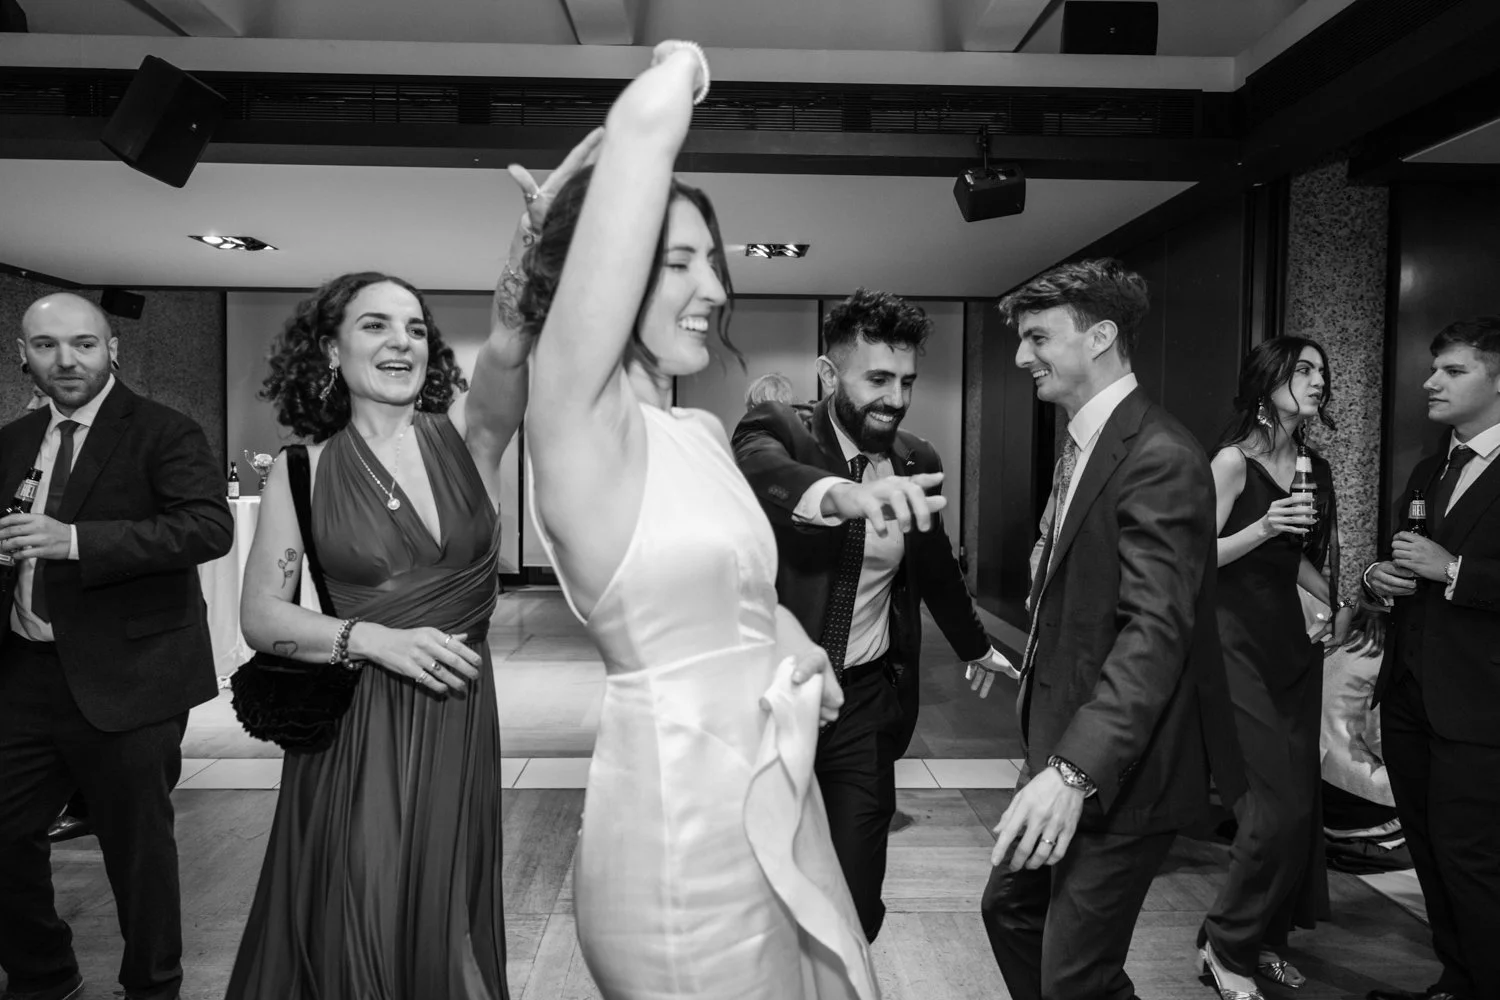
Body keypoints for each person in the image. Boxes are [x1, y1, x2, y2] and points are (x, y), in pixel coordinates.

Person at [520, 41, 877, 1000]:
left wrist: (796, 648)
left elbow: (742, 597)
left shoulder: (701, 432)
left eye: (712, 264)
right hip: (677, 834)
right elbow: (645, 123)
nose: (715, 289)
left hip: (771, 790)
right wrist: (683, 61)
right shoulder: (574, 424)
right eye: (676, 260)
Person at [222, 133, 593, 1000]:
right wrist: (373, 641)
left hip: (460, 715)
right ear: (331, 352)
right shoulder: (302, 469)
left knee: (447, 901)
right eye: (375, 325)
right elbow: (262, 619)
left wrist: (535, 252)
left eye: (416, 328)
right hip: (358, 724)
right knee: (362, 898)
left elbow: (507, 349)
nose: (402, 343)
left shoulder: (470, 438)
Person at [978, 259, 1243, 1000]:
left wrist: (1072, 772)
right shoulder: (1086, 445)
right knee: (1010, 911)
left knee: (1075, 976)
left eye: (1038, 337)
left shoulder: (1160, 456)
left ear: (1099, 336)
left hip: (1121, 774)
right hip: (1062, 747)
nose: (1022, 356)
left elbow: (1154, 634)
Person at [733, 286, 1017, 941]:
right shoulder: (781, 430)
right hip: (771, 702)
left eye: (908, 381)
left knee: (857, 896)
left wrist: (974, 646)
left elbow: (935, 565)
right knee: (764, 892)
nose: (896, 397)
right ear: (830, 375)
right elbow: (762, 472)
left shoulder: (918, 459)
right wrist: (846, 496)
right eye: (879, 379)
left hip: (863, 704)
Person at [0, 292, 233, 1000]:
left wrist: (75, 542)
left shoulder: (165, 432)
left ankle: (153, 986)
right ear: (23, 356)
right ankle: (44, 974)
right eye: (46, 346)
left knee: (139, 855)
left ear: (113, 351)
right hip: (23, 674)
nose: (65, 360)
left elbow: (205, 529)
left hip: (133, 677)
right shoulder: (10, 441)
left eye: (82, 344)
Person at [1198, 338, 1357, 997]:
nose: (1318, 382)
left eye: (1323, 371)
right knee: (1273, 807)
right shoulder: (1233, 462)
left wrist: (1338, 602)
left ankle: (1260, 939)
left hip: (1295, 646)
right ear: (1269, 383)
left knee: (1299, 806)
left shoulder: (1314, 466)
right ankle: (1224, 945)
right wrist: (1262, 528)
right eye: (1304, 371)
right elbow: (1192, 556)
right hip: (1236, 646)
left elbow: (1304, 560)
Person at [1362, 316, 1500, 1000]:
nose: (1431, 383)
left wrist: (1456, 571)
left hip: (1482, 703)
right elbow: (1404, 562)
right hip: (1412, 694)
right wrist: (1377, 582)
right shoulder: (1431, 465)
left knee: (1472, 858)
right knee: (1428, 850)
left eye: (1454, 371)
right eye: (1433, 369)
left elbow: (1452, 569)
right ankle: (1456, 981)